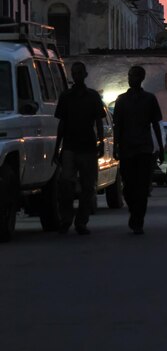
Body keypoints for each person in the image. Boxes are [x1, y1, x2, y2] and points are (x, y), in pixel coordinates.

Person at [53, 61, 105, 235]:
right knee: (66, 185)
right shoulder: (65, 97)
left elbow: (99, 121)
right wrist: (57, 148)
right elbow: (61, 123)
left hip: (88, 148)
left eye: (79, 73)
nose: (76, 76)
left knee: (88, 187)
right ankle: (66, 219)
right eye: (74, 73)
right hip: (69, 147)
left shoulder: (93, 97)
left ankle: (81, 222)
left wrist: (101, 142)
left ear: (85, 74)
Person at [112, 66, 164, 234]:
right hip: (127, 149)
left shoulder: (149, 99)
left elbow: (156, 124)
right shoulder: (121, 100)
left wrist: (161, 148)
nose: (130, 78)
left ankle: (138, 219)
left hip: (143, 149)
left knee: (142, 186)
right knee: (128, 186)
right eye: (129, 75)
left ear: (141, 78)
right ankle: (134, 211)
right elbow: (117, 126)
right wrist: (115, 147)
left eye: (133, 76)